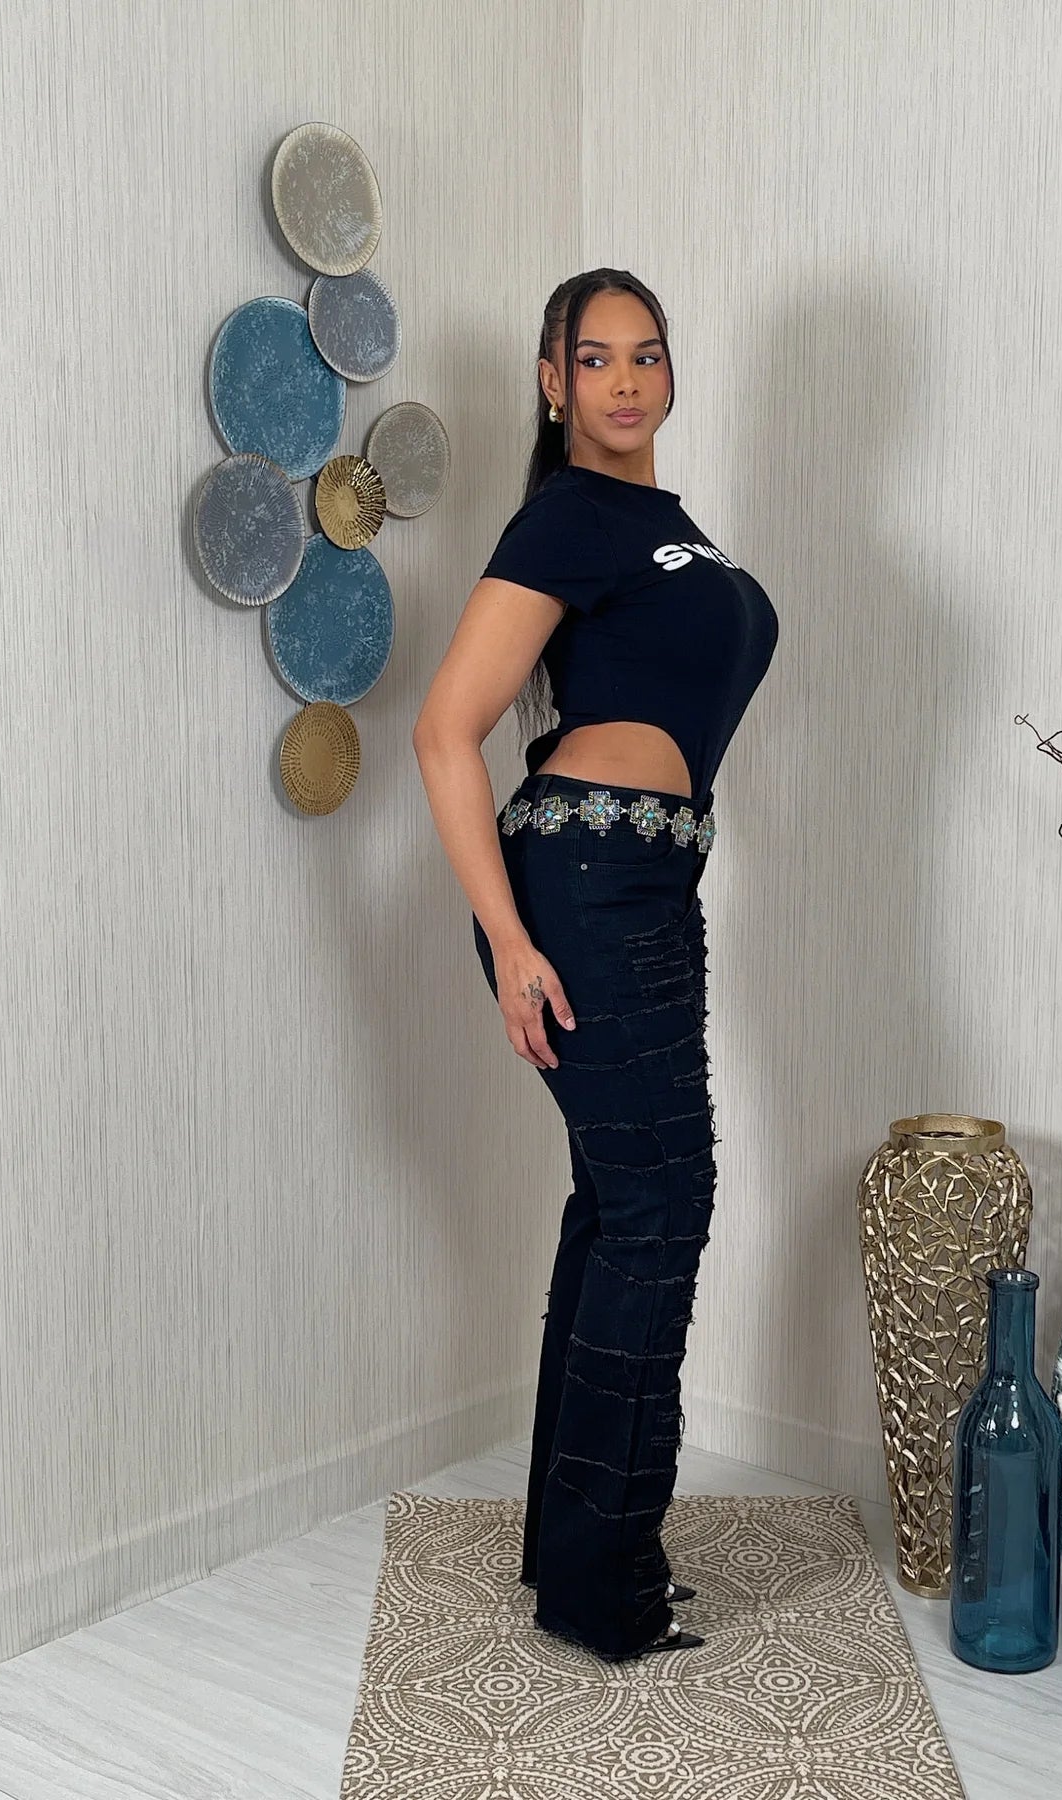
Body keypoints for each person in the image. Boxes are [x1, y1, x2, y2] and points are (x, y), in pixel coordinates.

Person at [412, 269, 779, 1660]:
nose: (624, 380)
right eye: (594, 358)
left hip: (636, 877)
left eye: (647, 355)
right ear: (552, 381)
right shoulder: (564, 515)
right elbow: (445, 731)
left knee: (620, 1206)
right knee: (659, 1211)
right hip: (578, 884)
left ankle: (573, 1558)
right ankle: (602, 1585)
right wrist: (508, 941)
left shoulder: (659, 525)